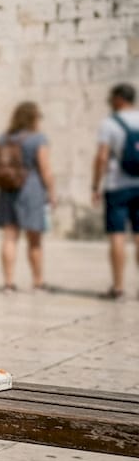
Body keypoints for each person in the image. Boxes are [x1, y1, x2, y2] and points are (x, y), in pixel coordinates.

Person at [0, 101, 55, 294]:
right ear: (33, 118)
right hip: (32, 189)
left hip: (8, 189)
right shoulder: (38, 139)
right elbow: (45, 169)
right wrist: (51, 193)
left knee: (10, 237)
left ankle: (8, 284)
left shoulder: (4, 138)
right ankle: (38, 283)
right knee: (34, 239)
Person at [92, 82, 139, 300]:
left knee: (117, 235)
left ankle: (118, 287)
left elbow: (102, 156)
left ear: (120, 98)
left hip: (117, 185)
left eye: (112, 97)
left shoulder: (109, 124)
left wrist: (95, 186)